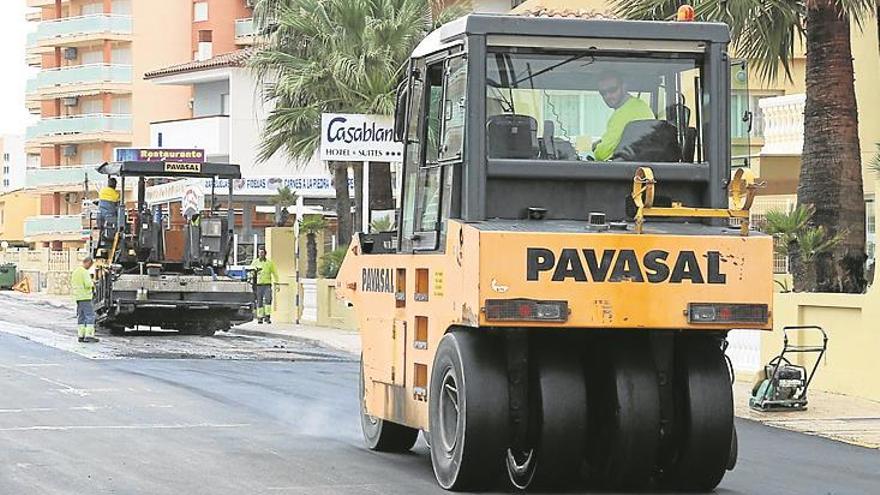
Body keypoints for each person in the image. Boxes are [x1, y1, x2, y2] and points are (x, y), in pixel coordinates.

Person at [592, 72, 656, 161]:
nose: (608, 96)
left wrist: (596, 148)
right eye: (603, 93)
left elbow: (602, 154)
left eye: (612, 90)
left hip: (628, 170)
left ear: (624, 86)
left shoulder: (623, 113)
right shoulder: (640, 106)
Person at [70, 257, 99, 343]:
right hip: (85, 297)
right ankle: (89, 336)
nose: (90, 267)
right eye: (90, 265)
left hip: (78, 297)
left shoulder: (76, 272)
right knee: (90, 316)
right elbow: (87, 284)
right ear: (87, 262)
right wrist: (93, 283)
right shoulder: (84, 272)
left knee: (81, 317)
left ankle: (81, 335)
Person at [251, 248, 279, 324]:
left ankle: (267, 316)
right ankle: (260, 317)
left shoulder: (269, 263)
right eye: (259, 253)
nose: (260, 254)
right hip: (258, 285)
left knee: (268, 300)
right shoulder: (255, 262)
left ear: (265, 254)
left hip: (267, 285)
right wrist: (254, 272)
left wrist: (277, 283)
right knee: (259, 301)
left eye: (262, 253)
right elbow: (251, 272)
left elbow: (275, 273)